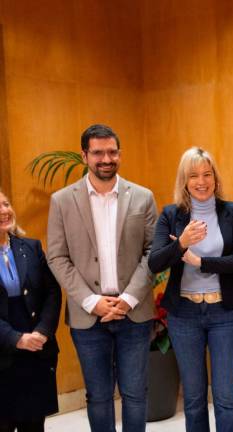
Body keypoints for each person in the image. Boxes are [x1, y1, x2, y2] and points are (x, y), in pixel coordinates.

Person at [47, 124, 157, 432]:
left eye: (112, 152)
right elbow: (57, 256)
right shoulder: (62, 201)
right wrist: (93, 301)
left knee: (136, 395)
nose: (106, 159)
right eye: (98, 152)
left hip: (133, 313)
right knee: (98, 397)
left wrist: (128, 299)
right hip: (88, 317)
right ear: (84, 156)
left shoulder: (143, 197)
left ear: (119, 154)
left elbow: (154, 252)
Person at [149, 147, 233, 432]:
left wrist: (201, 261)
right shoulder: (171, 215)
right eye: (193, 175)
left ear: (215, 179)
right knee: (194, 398)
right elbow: (155, 262)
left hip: (225, 313)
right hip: (184, 315)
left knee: (226, 397)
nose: (201, 181)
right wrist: (181, 242)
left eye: (207, 174)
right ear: (184, 181)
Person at [0, 189, 61, 432]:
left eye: (6, 204)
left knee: (34, 425)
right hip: (3, 353)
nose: (4, 211)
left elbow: (52, 293)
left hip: (36, 351)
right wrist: (15, 339)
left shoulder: (32, 247)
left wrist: (43, 331)